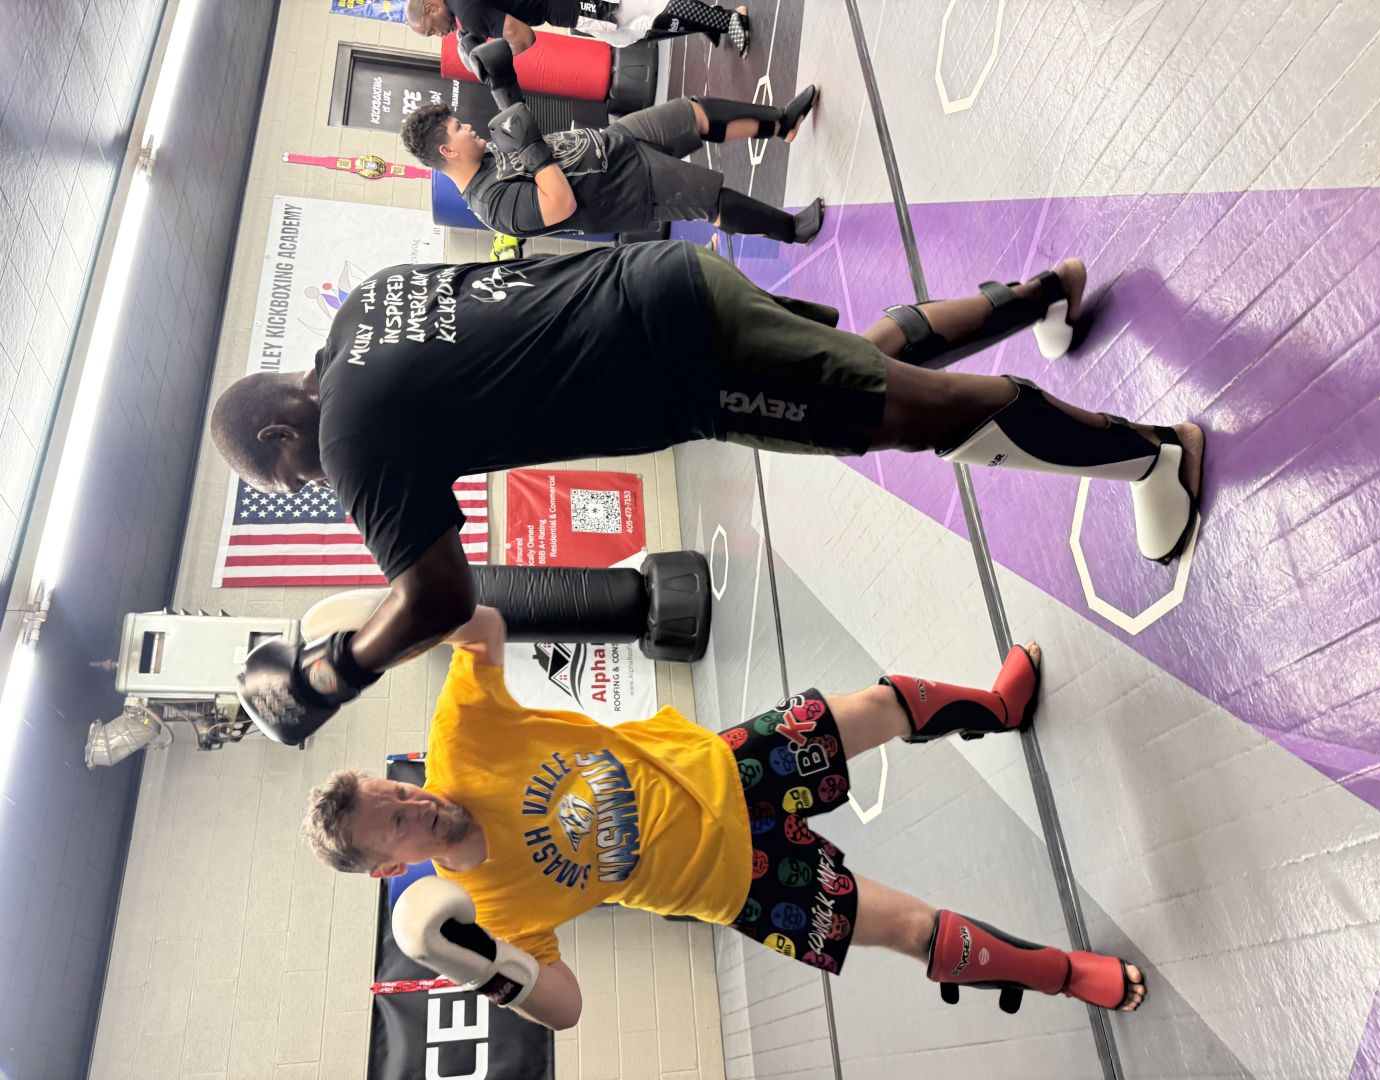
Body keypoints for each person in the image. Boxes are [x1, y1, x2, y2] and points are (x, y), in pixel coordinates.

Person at [209, 243, 1204, 746]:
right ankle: (1047, 291)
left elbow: (438, 598)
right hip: (663, 279)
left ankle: (1154, 457)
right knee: (860, 361)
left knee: (907, 414)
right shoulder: (370, 305)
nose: (314, 482)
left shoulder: (348, 433)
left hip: (676, 361)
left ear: (280, 434)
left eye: (292, 475)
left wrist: (332, 675)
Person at [301, 607, 1146, 1030]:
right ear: (390, 868)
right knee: (914, 931)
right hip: (732, 886)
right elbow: (566, 1007)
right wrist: (482, 966)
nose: (416, 803)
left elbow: (482, 626)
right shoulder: (484, 913)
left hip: (726, 769)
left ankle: (997, 706)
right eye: (396, 824)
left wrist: (387, 624)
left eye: (395, 792)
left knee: (881, 705)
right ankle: (1062, 973)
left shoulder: (461, 739)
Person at [399, 93, 823, 243]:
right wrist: (530, 149)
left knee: (694, 113)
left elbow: (522, 130)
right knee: (710, 200)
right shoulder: (492, 205)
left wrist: (501, 82)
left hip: (615, 141)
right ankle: (791, 231)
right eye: (458, 129)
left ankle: (781, 123)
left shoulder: (486, 156)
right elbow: (559, 203)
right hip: (626, 187)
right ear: (448, 151)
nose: (468, 127)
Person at [405, 0, 751, 56]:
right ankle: (708, 19)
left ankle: (729, 19)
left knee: (648, 16)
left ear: (432, 8)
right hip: (568, 7)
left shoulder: (467, 12)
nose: (441, 36)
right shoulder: (465, 9)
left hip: (571, 6)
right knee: (626, 36)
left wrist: (500, 59)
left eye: (432, 30)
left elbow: (524, 36)